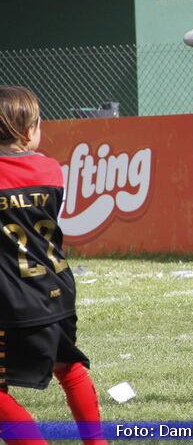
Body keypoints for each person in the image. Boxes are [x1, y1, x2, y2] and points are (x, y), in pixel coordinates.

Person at [0, 86, 107, 444]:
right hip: (57, 290)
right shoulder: (50, 169)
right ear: (27, 132)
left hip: (13, 299)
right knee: (71, 368)